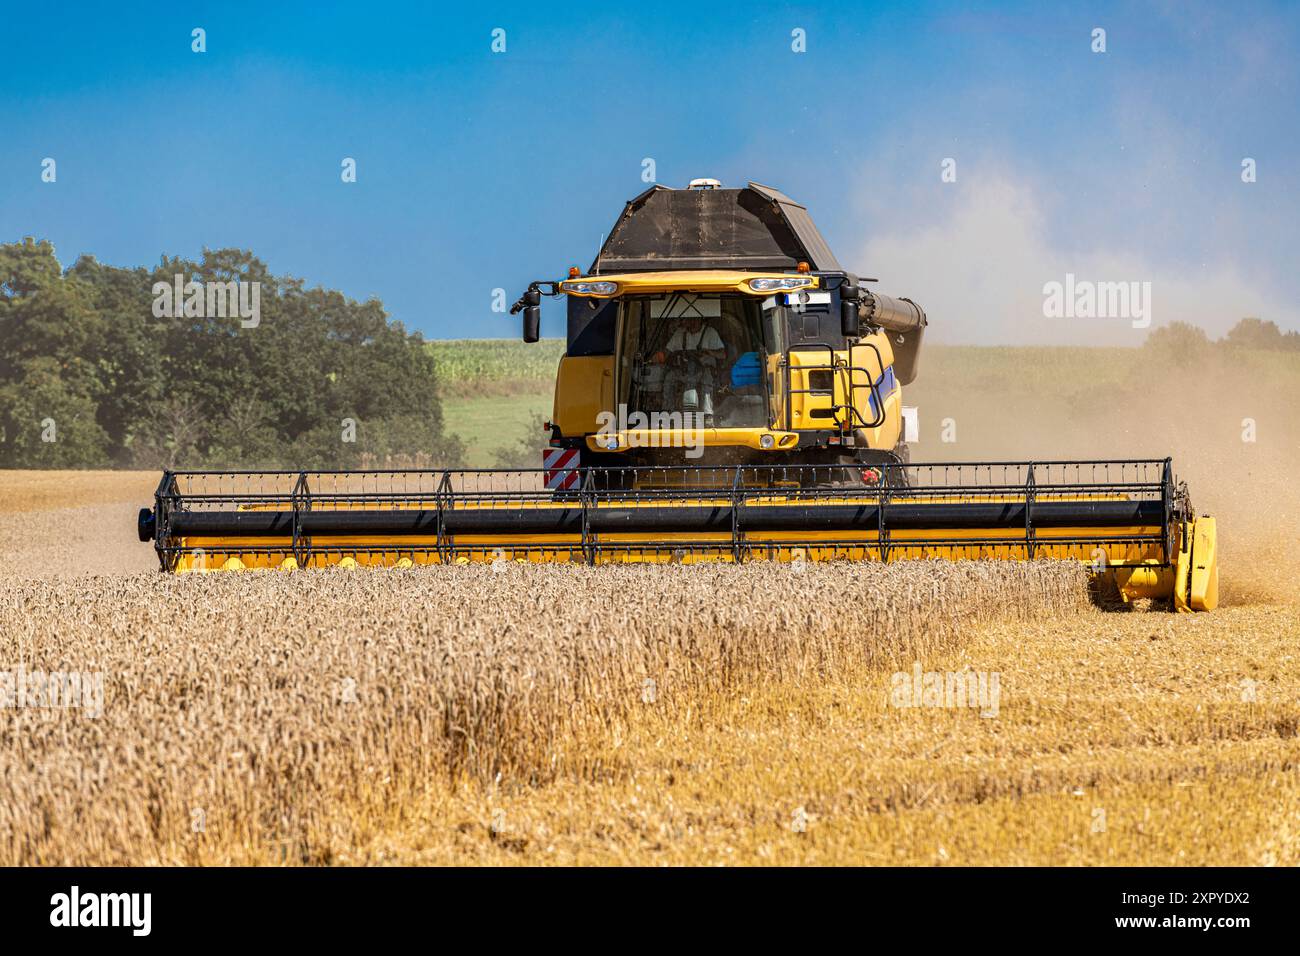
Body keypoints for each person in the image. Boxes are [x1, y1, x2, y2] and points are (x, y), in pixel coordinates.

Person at [652, 317, 724, 426]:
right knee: (669, 377)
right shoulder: (680, 333)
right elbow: (667, 352)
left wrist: (708, 352)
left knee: (707, 379)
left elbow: (723, 354)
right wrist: (658, 357)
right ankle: (667, 412)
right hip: (684, 372)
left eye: (695, 319)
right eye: (689, 319)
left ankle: (707, 415)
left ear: (701, 319)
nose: (692, 322)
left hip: (703, 371)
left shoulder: (710, 333)